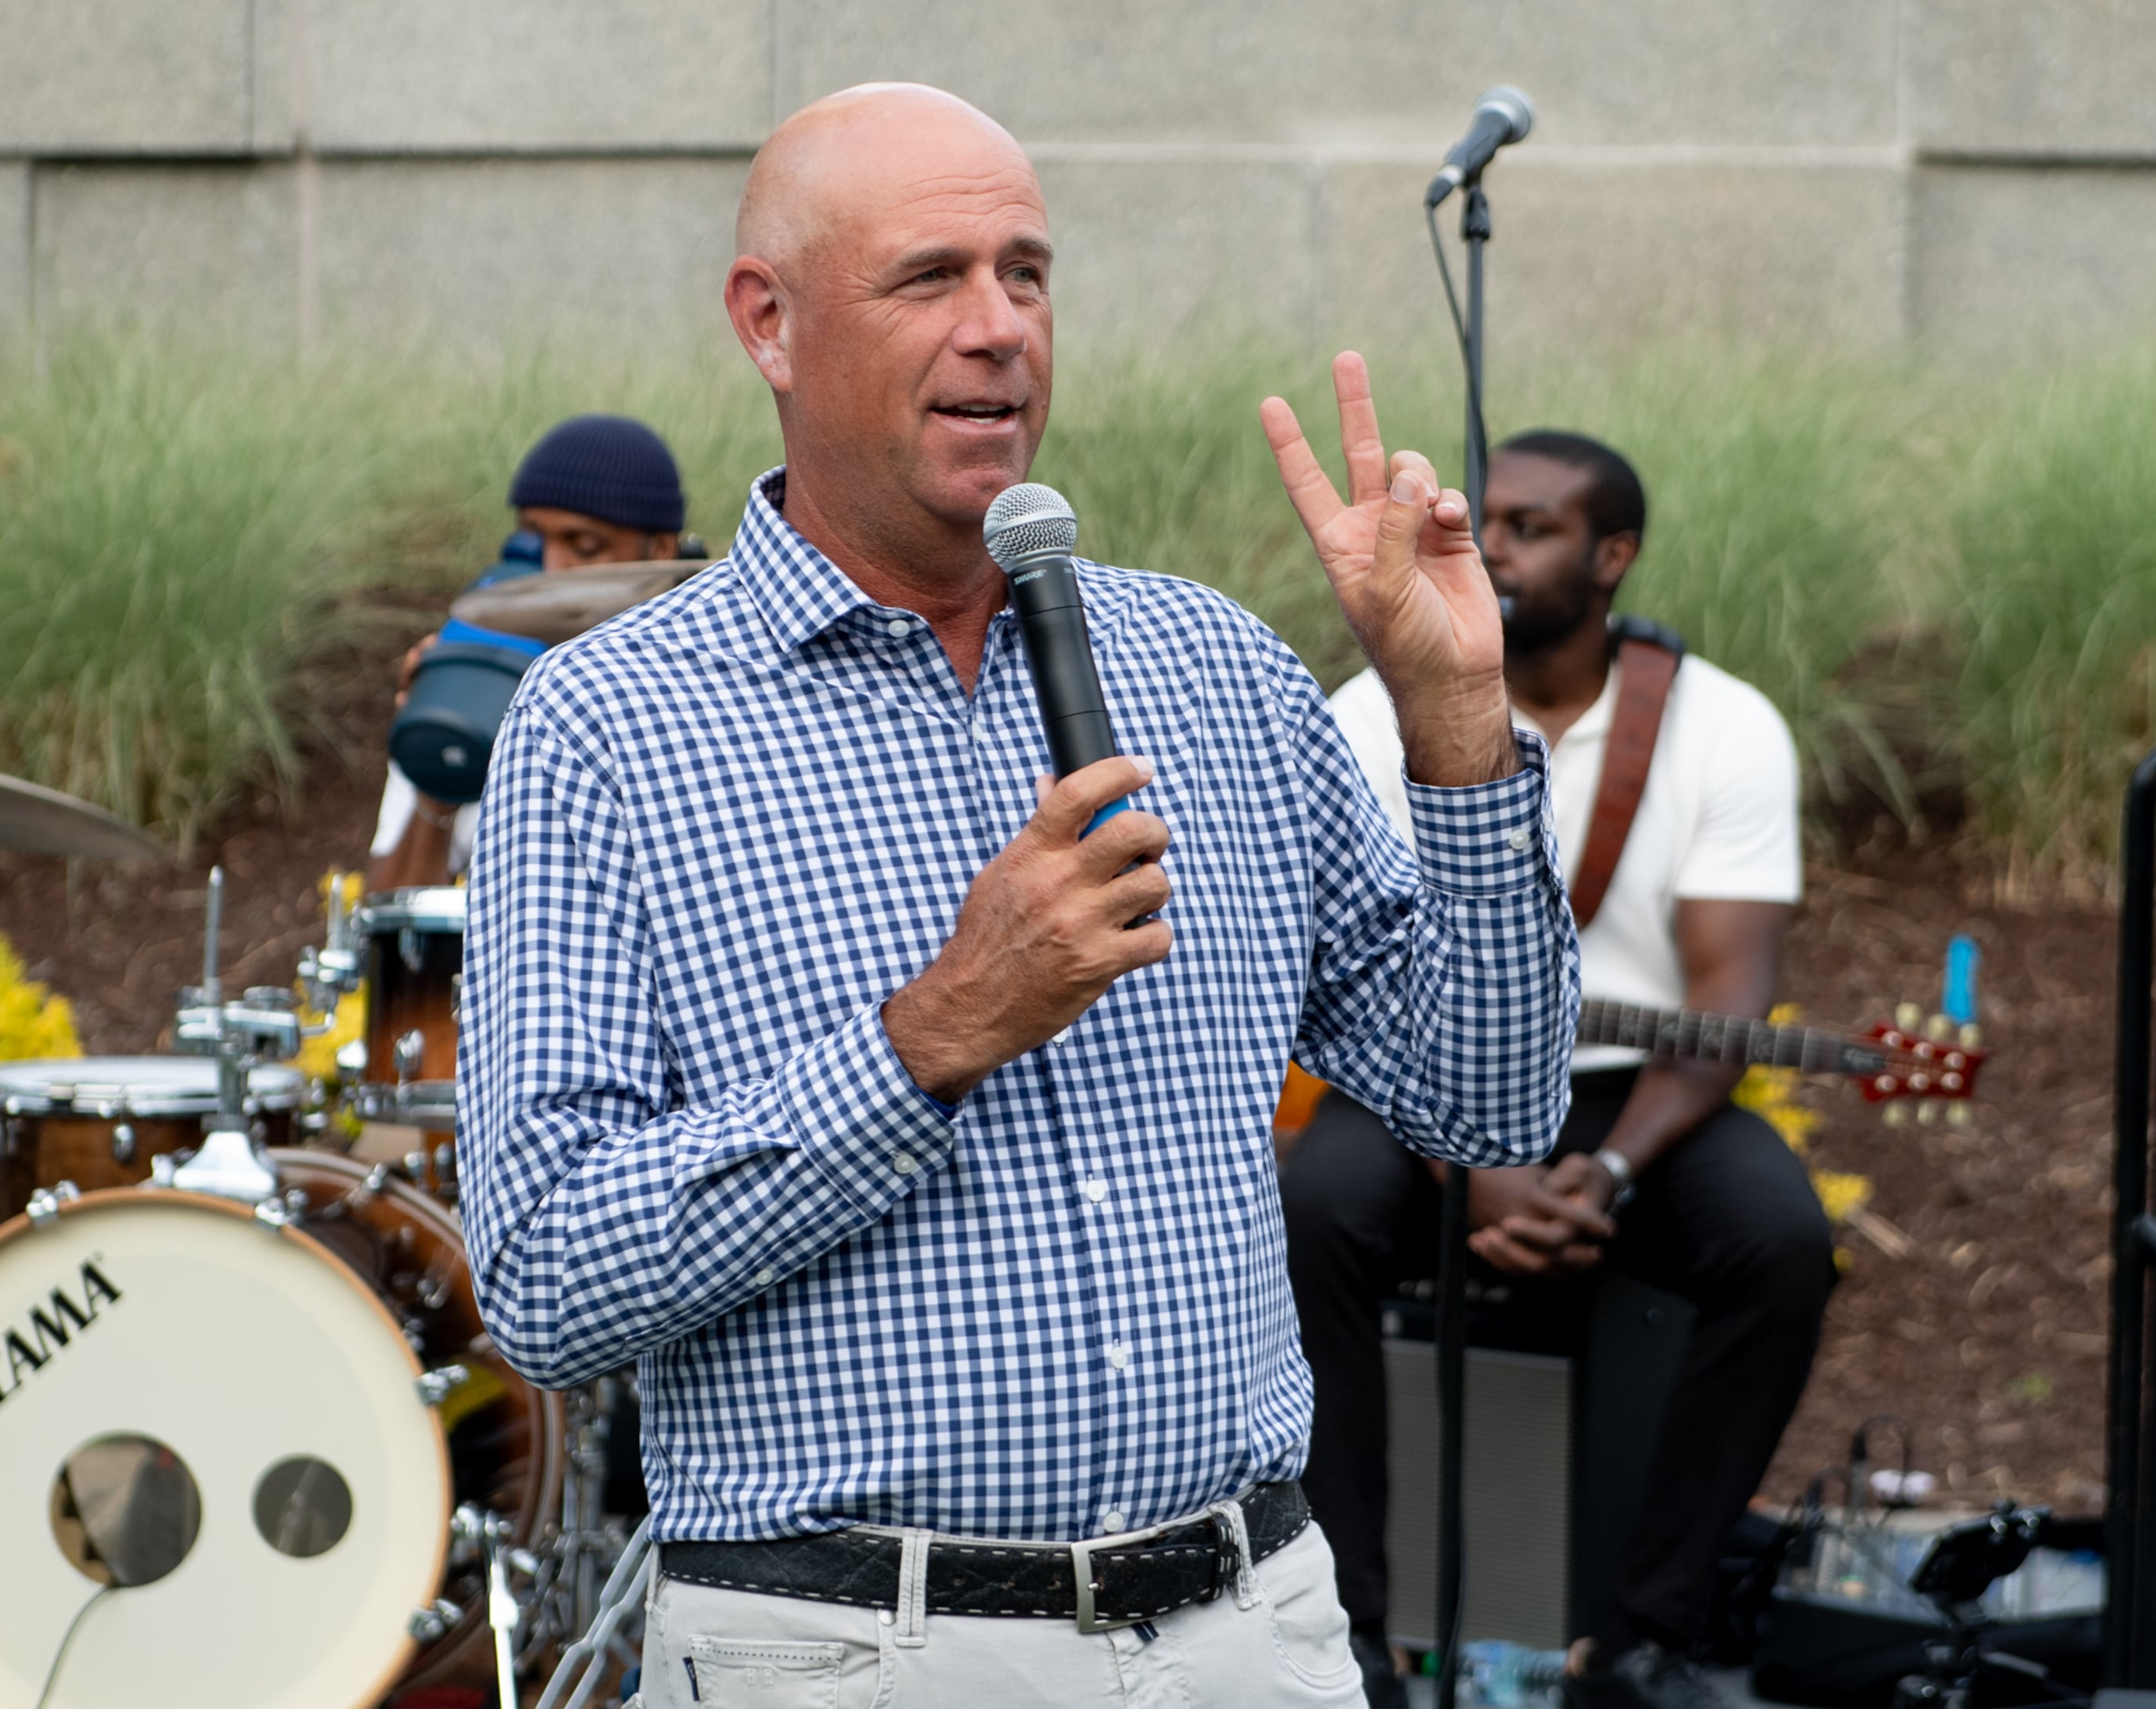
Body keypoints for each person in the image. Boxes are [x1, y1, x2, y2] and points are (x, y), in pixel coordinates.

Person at [452, 82, 1577, 1706]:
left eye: (1028, 273)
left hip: (1248, 1630)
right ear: (769, 325)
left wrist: (1461, 731)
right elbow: (551, 1276)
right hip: (854, 1646)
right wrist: (931, 1034)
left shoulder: (1215, 671)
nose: (1000, 331)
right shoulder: (612, 728)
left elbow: (1490, 1099)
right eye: (933, 279)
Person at [1284, 431, 1829, 1709]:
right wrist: (1474, 1170)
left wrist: (1614, 1170)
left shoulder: (1725, 726)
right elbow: (1339, 969)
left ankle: (1645, 1639)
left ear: (1614, 555)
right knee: (1311, 1217)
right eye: (1490, 522)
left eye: (1531, 527)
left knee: (1780, 1244)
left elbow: (1730, 1002)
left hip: (1636, 1094)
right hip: (1415, 1072)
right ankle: (1350, 1632)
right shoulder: (1369, 709)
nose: (1493, 547)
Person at [365, 414, 691, 891]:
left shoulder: (708, 683)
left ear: (661, 550)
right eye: (536, 541)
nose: (552, 569)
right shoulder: (480, 677)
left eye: (584, 546)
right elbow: (393, 929)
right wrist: (437, 776)